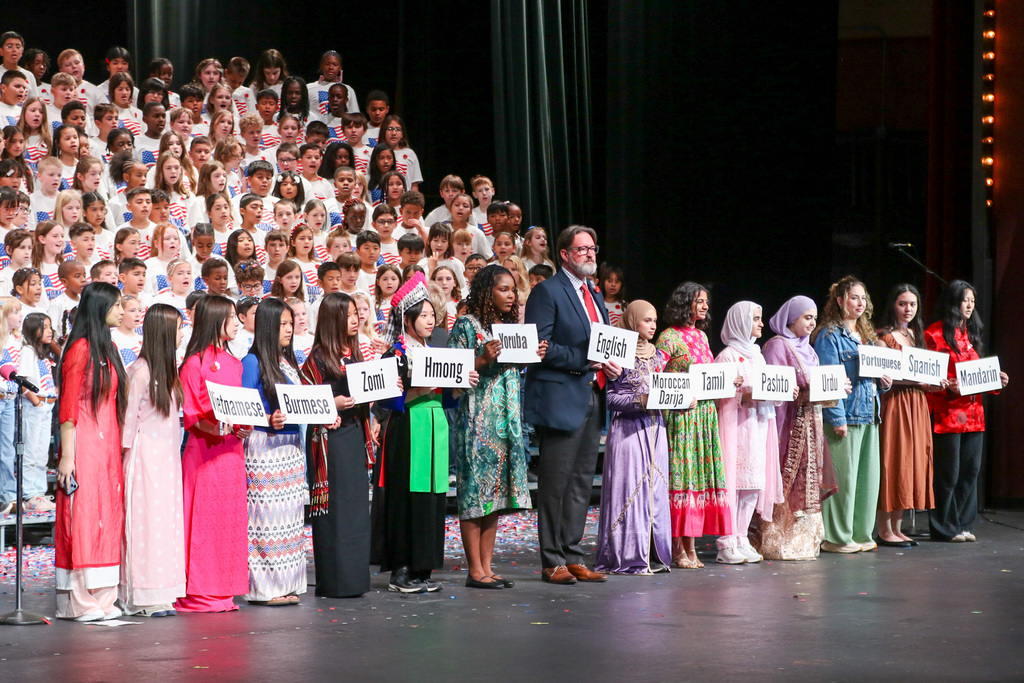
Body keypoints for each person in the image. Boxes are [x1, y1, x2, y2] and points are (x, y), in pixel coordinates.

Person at [524, 225, 620, 585]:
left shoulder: (593, 294)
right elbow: (541, 347)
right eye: (582, 249)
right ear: (564, 254)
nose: (590, 254)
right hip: (561, 397)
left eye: (593, 248)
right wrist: (586, 359)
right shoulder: (548, 291)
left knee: (581, 482)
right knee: (555, 483)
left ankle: (573, 554)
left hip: (593, 395)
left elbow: (602, 342)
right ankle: (552, 561)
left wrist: (610, 362)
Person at [449, 264, 544, 588]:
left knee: (496, 497)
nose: (511, 295)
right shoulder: (466, 324)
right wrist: (480, 359)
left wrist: (534, 354)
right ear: (488, 291)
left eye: (513, 289)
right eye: (504, 289)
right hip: (477, 424)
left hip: (506, 424)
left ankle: (487, 568)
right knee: (475, 495)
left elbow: (515, 369)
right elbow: (449, 371)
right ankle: (474, 569)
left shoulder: (510, 328)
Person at [372, 273, 464, 593]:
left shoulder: (436, 349)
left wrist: (462, 384)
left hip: (435, 425)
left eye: (431, 314)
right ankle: (401, 568)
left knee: (432, 496)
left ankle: (423, 567)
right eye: (422, 315)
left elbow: (447, 397)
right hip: (408, 427)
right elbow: (385, 400)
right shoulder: (396, 354)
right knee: (405, 496)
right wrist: (413, 389)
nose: (430, 320)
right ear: (407, 320)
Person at [54, 282, 126, 621]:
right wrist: (67, 457)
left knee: (107, 516)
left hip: (108, 444)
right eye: (116, 305)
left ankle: (105, 600)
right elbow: (68, 405)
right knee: (83, 517)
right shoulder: (80, 349)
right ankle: (80, 601)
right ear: (100, 308)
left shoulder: (108, 346)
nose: (122, 310)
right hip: (83, 442)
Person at [176, 295, 252, 612]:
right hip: (205, 453)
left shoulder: (234, 362)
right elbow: (192, 416)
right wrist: (222, 429)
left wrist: (244, 427)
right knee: (203, 520)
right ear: (216, 320)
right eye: (232, 316)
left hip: (232, 452)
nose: (237, 322)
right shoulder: (195, 363)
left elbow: (242, 407)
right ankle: (199, 589)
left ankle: (224, 587)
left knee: (228, 520)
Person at [753, 296, 837, 560]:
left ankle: (803, 541)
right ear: (791, 319)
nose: (811, 323)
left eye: (814, 317)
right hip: (787, 423)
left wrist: (836, 388)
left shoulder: (809, 349)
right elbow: (774, 388)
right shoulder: (777, 346)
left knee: (807, 477)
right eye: (806, 317)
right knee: (785, 476)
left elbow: (818, 387)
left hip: (811, 421)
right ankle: (778, 539)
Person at [813, 276, 892, 553]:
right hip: (845, 415)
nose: (860, 303)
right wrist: (837, 418)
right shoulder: (829, 335)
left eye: (863, 298)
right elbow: (829, 380)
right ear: (840, 301)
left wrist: (884, 382)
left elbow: (871, 378)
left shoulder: (868, 336)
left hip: (869, 414)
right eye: (854, 297)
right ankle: (837, 537)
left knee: (867, 481)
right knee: (843, 481)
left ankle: (860, 534)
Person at [301, 293, 373, 598]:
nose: (355, 320)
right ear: (333, 319)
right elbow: (304, 400)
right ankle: (335, 580)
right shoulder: (318, 358)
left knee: (356, 509)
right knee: (336, 511)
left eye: (357, 314)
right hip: (331, 441)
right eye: (348, 315)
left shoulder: (355, 353)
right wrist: (333, 403)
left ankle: (356, 579)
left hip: (355, 435)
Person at [925, 280, 1009, 542]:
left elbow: (977, 376)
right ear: (953, 302)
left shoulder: (970, 334)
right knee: (948, 474)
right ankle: (944, 527)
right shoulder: (934, 335)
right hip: (948, 415)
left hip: (974, 416)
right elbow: (928, 379)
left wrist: (997, 381)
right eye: (965, 300)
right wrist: (948, 385)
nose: (970, 305)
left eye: (972, 300)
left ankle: (962, 524)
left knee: (970, 472)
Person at [655, 282, 730, 568]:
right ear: (685, 303)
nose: (705, 306)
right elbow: (658, 379)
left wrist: (727, 380)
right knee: (682, 480)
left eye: (706, 302)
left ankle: (692, 546)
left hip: (704, 417)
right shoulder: (668, 338)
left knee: (698, 479)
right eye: (699, 301)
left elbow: (707, 376)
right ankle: (677, 548)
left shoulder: (701, 336)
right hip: (683, 418)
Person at [595, 300, 671, 574]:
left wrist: (684, 400)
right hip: (628, 431)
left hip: (656, 430)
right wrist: (639, 399)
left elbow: (667, 393)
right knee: (631, 491)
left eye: (655, 320)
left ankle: (653, 553)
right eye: (647, 320)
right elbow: (611, 398)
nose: (653, 325)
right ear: (632, 321)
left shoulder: (661, 356)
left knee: (655, 489)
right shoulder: (619, 355)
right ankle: (628, 555)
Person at [120, 304, 186, 616]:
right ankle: (143, 597)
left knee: (166, 524)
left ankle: (165, 590)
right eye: (177, 328)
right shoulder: (140, 371)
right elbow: (128, 421)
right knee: (146, 525)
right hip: (145, 458)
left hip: (168, 459)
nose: (181, 333)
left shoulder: (168, 372)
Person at [240, 297, 307, 605]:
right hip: (265, 449)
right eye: (282, 324)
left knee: (290, 522)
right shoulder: (252, 362)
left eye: (291, 324)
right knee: (265, 522)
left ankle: (288, 583)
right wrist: (267, 418)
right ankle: (264, 588)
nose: (289, 330)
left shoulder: (289, 362)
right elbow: (243, 406)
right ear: (267, 326)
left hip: (291, 448)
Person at [713, 301, 785, 565]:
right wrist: (740, 391)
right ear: (741, 322)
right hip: (737, 427)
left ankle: (741, 536)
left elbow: (769, 388)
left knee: (752, 486)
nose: (761, 324)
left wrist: (785, 392)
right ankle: (726, 541)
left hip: (758, 426)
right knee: (734, 484)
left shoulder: (758, 354)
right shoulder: (728, 356)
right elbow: (719, 395)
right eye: (756, 319)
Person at [875, 284, 936, 547]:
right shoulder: (883, 337)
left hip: (917, 404)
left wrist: (934, 381)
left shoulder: (916, 336)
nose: (908, 309)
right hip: (896, 403)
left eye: (912, 304)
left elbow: (925, 375)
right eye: (902, 303)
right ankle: (883, 529)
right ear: (893, 305)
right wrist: (916, 379)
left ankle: (897, 528)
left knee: (910, 463)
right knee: (893, 460)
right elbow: (883, 374)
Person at [17, 312, 59, 513]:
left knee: (42, 452)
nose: (50, 331)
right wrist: (36, 402)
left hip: (46, 404)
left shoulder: (43, 353)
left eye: (51, 327)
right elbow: (23, 380)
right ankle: (30, 494)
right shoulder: (27, 351)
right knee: (32, 451)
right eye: (46, 327)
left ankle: (40, 492)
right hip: (36, 406)